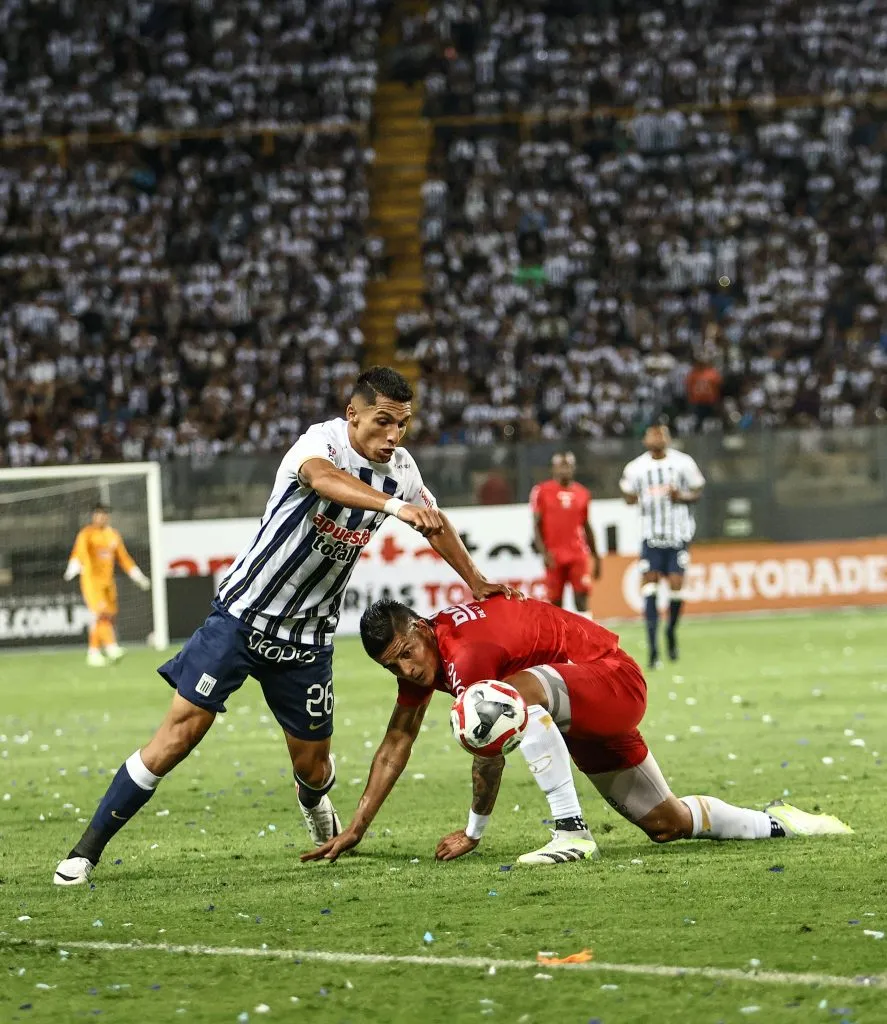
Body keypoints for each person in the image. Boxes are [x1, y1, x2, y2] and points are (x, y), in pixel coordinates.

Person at [53, 367, 520, 886]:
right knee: (178, 736)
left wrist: (476, 580)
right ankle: (84, 852)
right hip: (242, 617)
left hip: (308, 639)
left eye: (402, 425)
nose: (393, 435)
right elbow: (323, 480)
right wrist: (394, 507)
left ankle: (313, 799)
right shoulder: (321, 443)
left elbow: (436, 524)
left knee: (313, 769)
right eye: (383, 422)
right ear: (353, 414)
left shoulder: (404, 470)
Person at [303, 596, 852, 867]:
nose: (408, 670)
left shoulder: (467, 655)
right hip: (573, 704)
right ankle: (782, 822)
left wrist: (474, 831)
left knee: (496, 703)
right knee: (666, 823)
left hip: (610, 679)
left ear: (422, 628)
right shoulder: (432, 653)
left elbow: (489, 744)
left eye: (407, 654)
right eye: (393, 666)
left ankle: (571, 832)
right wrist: (357, 828)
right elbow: (396, 741)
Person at [619, 425, 705, 669]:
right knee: (650, 587)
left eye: (662, 434)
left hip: (678, 536)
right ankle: (653, 648)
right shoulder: (636, 467)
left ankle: (670, 631)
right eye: (653, 434)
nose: (657, 438)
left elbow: (697, 491)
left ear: (668, 439)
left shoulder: (683, 463)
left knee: (677, 587)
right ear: (645, 440)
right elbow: (627, 496)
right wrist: (638, 497)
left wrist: (681, 497)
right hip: (650, 537)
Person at [64, 504, 152, 667]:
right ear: (93, 516)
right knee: (101, 613)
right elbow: (79, 552)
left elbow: (124, 558)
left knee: (108, 616)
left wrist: (137, 576)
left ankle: (93, 653)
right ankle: (111, 647)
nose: (101, 517)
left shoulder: (113, 535)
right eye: (98, 514)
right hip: (92, 581)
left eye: (104, 514)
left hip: (108, 583)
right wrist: (73, 566)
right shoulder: (87, 534)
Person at [530, 452, 601, 614]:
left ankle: (585, 630)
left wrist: (596, 556)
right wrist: (544, 553)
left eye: (568, 466)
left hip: (577, 554)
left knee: (581, 599)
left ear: (574, 468)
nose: (565, 470)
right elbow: (536, 525)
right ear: (553, 469)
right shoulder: (542, 491)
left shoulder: (583, 493)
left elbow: (586, 526)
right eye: (561, 466)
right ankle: (559, 632)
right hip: (554, 555)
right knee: (555, 603)